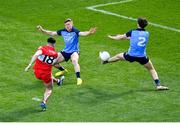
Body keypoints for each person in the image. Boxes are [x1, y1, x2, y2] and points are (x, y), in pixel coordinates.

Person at [104, 17, 168, 90]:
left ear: (138, 24)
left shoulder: (132, 31)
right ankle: (158, 85)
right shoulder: (147, 33)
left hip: (131, 55)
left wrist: (112, 37)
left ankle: (106, 61)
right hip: (142, 57)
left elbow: (121, 38)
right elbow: (135, 38)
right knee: (151, 69)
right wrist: (125, 37)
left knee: (118, 56)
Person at [37, 18, 96, 85]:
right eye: (66, 25)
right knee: (52, 61)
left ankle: (79, 78)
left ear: (72, 24)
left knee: (74, 61)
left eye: (69, 24)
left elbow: (83, 33)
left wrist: (89, 32)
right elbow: (52, 33)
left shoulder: (75, 31)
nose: (67, 26)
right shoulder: (63, 31)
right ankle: (63, 70)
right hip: (65, 51)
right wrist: (42, 30)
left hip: (74, 51)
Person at [25, 37, 64, 111]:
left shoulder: (42, 49)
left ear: (47, 42)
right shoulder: (55, 54)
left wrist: (29, 65)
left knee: (47, 78)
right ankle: (44, 102)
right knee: (49, 88)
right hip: (46, 73)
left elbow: (36, 55)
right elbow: (53, 63)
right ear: (54, 44)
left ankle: (58, 81)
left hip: (37, 72)